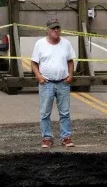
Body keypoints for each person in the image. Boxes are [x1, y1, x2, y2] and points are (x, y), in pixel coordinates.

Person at [30, 18, 77, 148]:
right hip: (47, 83)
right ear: (48, 30)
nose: (56, 30)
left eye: (57, 28)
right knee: (45, 112)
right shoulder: (40, 44)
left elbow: (70, 60)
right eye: (53, 28)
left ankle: (65, 137)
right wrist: (39, 76)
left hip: (63, 82)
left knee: (65, 112)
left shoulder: (66, 43)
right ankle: (46, 137)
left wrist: (70, 75)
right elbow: (34, 62)